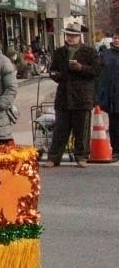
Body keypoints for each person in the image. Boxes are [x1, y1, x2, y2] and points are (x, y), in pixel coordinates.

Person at [46, 22, 101, 167]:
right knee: (60, 129)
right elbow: (52, 70)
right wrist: (56, 75)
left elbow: (96, 70)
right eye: (69, 35)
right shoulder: (59, 52)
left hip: (82, 96)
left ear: (79, 37)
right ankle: (53, 157)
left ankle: (81, 156)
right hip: (64, 95)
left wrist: (81, 68)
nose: (70, 38)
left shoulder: (89, 52)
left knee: (81, 129)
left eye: (74, 36)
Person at [95, 32, 119, 158]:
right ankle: (116, 149)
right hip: (112, 94)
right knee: (114, 124)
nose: (117, 40)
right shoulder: (106, 54)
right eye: (115, 38)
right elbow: (98, 73)